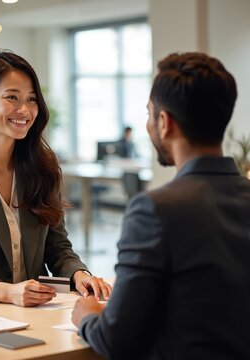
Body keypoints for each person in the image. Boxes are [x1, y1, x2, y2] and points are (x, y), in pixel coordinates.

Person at [71, 52, 250, 359]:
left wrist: (86, 315)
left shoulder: (155, 210)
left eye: (149, 114)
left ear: (164, 122)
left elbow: (115, 339)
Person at [0, 50, 112, 307]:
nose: (24, 110)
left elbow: (58, 249)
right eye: (12, 97)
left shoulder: (44, 169)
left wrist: (80, 275)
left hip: (38, 313)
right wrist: (6, 292)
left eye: (31, 99)